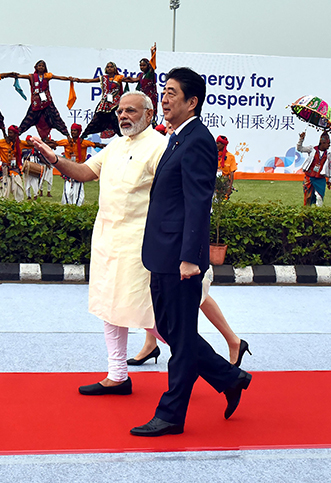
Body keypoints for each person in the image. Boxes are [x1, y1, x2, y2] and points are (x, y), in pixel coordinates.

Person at [131, 67, 250, 437]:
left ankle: (171, 415)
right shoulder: (178, 138)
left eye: (170, 93)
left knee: (180, 340)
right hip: (162, 252)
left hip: (179, 257)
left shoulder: (198, 140)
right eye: (163, 92)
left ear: (191, 101)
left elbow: (198, 202)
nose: (163, 99)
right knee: (170, 329)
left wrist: (190, 258)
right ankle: (230, 377)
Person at [29, 91, 167, 397]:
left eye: (131, 111)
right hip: (107, 238)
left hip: (140, 243)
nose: (123, 116)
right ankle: (117, 375)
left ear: (149, 113)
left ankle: (204, 365)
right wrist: (53, 157)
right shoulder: (115, 145)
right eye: (119, 111)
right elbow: (84, 172)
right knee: (109, 306)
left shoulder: (160, 147)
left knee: (149, 314)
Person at [6, 61, 72, 140]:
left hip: (47, 102)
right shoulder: (32, 76)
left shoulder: (47, 76)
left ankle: (67, 135)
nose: (41, 67)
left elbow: (59, 77)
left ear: (45, 68)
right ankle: (17, 135)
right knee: (28, 119)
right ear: (36, 67)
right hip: (36, 103)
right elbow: (21, 76)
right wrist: (14, 75)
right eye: (39, 66)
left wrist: (69, 79)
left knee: (56, 117)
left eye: (43, 66)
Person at [54, 123, 105, 206]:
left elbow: (96, 145)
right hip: (68, 168)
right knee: (67, 190)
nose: (73, 132)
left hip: (79, 168)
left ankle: (77, 206)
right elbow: (54, 143)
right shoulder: (66, 142)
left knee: (78, 190)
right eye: (72, 130)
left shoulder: (83, 143)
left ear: (79, 132)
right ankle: (67, 205)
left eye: (75, 130)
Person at [71, 62, 124, 138]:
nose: (109, 68)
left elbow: (130, 80)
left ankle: (122, 136)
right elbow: (90, 80)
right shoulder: (103, 78)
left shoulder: (119, 78)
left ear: (115, 68)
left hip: (115, 104)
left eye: (111, 67)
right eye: (108, 67)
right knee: (96, 119)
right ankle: (84, 135)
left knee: (114, 119)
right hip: (104, 104)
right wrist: (78, 80)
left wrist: (139, 79)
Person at [124, 44, 159, 126]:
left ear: (148, 65)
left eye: (144, 65)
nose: (142, 67)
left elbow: (153, 66)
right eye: (140, 65)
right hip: (143, 98)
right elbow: (134, 80)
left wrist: (153, 53)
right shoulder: (141, 75)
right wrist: (125, 79)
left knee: (149, 113)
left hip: (150, 97)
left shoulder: (150, 73)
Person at [296, 131, 331, 206]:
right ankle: (307, 213)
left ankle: (319, 213)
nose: (329, 145)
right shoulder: (312, 149)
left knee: (320, 197)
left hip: (320, 178)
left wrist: (330, 179)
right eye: (328, 143)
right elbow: (300, 149)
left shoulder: (328, 154)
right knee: (308, 198)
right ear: (322, 142)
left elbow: (330, 166)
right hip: (310, 177)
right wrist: (301, 139)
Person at [0, 125, 29, 201]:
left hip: (15, 169)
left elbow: (32, 145)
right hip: (4, 169)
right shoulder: (2, 142)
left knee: (18, 187)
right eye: (8, 133)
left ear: (16, 134)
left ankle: (19, 204)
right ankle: (2, 205)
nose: (9, 135)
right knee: (4, 189)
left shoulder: (20, 143)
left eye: (11, 133)